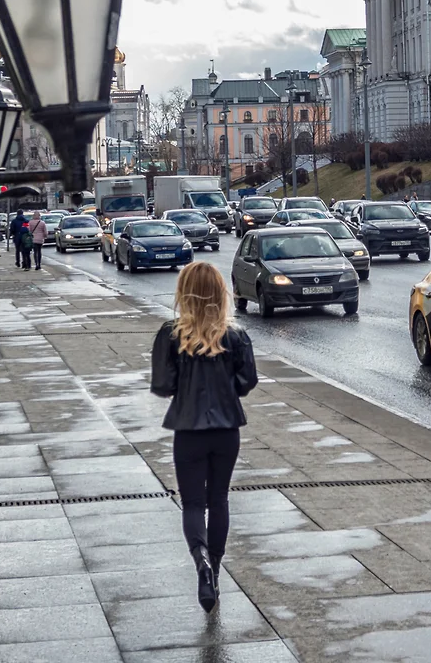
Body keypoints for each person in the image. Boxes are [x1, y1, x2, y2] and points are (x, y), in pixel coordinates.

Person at [150, 262, 258, 613]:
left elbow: (162, 385)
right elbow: (248, 381)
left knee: (194, 503)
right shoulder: (236, 336)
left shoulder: (171, 334)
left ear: (185, 293)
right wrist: (226, 390)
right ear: (219, 293)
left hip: (188, 432)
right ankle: (216, 569)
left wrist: (185, 388)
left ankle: (202, 565)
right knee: (220, 500)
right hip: (226, 431)